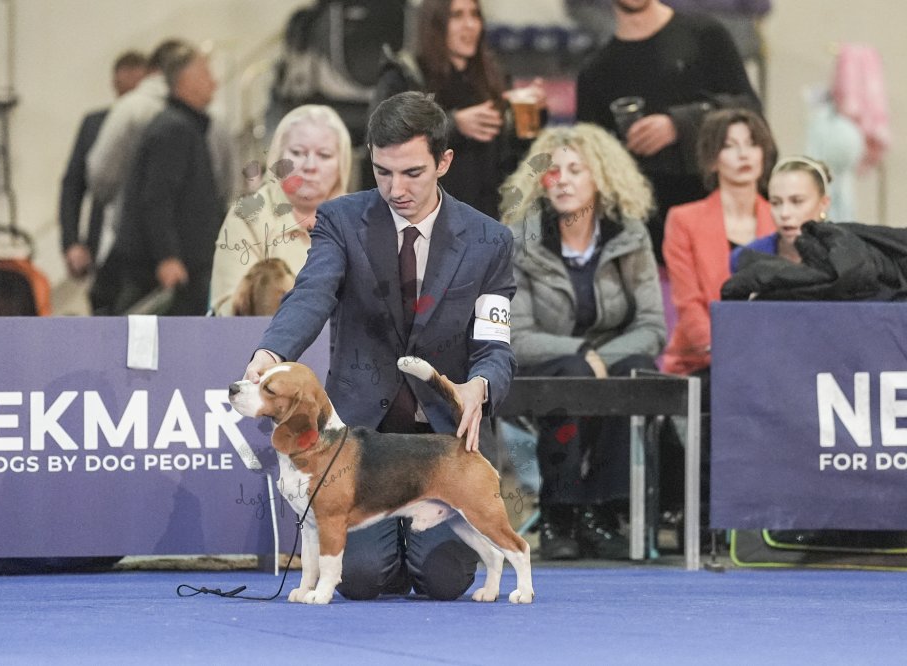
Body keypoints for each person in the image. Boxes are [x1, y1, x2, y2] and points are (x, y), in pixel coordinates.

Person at [243, 91, 516, 600]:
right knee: (362, 578)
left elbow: (495, 346)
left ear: (444, 162)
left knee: (443, 581)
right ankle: (387, 551)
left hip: (440, 442)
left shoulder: (490, 240)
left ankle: (414, 551)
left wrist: (479, 386)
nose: (395, 188)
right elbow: (312, 293)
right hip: (360, 442)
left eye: (412, 173)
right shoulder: (341, 220)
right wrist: (271, 353)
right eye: (382, 172)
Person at [502, 124, 665, 559]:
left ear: (601, 178)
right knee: (574, 373)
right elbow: (516, 337)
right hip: (544, 367)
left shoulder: (629, 236)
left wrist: (598, 358)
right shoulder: (521, 240)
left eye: (576, 170)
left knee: (634, 368)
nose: (563, 181)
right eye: (553, 171)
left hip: (609, 362)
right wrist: (579, 353)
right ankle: (560, 512)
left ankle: (603, 512)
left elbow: (652, 327)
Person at [575, 0, 761, 263]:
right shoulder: (596, 71)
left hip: (725, 220)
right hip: (650, 235)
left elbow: (749, 110)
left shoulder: (705, 35)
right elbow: (590, 162)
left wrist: (679, 124)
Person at [86, 38, 238, 314]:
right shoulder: (174, 130)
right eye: (205, 74)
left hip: (187, 270)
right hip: (165, 276)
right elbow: (156, 198)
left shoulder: (187, 126)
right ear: (186, 81)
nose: (214, 83)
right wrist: (167, 257)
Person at [368, 0, 546, 218]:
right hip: (422, 219)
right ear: (436, 23)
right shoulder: (405, 75)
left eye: (475, 15)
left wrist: (533, 116)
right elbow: (380, 135)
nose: (470, 25)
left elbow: (511, 160)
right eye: (457, 16)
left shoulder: (492, 77)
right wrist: (453, 125)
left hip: (486, 219)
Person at [662, 107, 776, 376]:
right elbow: (688, 304)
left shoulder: (781, 220)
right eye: (730, 146)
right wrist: (724, 353)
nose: (743, 154)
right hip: (703, 360)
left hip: (770, 355)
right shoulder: (683, 220)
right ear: (712, 160)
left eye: (752, 144)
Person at [208, 105, 352, 316]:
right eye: (297, 153)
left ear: (342, 164)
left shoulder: (361, 221)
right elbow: (228, 313)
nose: (310, 166)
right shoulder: (248, 216)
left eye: (324, 155)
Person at [59, 50, 147, 280]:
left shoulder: (163, 126)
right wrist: (72, 242)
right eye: (126, 91)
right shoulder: (94, 124)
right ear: (115, 85)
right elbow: (73, 185)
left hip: (146, 247)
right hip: (102, 244)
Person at [730, 156, 833, 271]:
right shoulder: (745, 259)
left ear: (824, 203)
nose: (784, 213)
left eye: (797, 201)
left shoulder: (842, 258)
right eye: (776, 203)